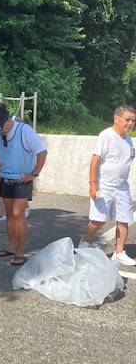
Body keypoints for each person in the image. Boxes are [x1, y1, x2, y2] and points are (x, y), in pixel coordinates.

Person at [0, 102, 47, 266]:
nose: (1, 132)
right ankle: (12, 246)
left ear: (8, 120)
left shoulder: (24, 130)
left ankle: (20, 251)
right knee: (8, 212)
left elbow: (42, 152)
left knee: (17, 213)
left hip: (22, 179)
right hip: (6, 177)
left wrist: (34, 174)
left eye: (2, 128)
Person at [79, 104, 136, 265]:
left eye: (133, 120)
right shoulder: (106, 135)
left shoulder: (129, 140)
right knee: (98, 220)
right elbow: (95, 160)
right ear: (116, 118)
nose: (130, 123)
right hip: (104, 185)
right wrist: (93, 184)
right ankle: (84, 244)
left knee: (124, 219)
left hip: (122, 186)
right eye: (127, 119)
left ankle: (119, 252)